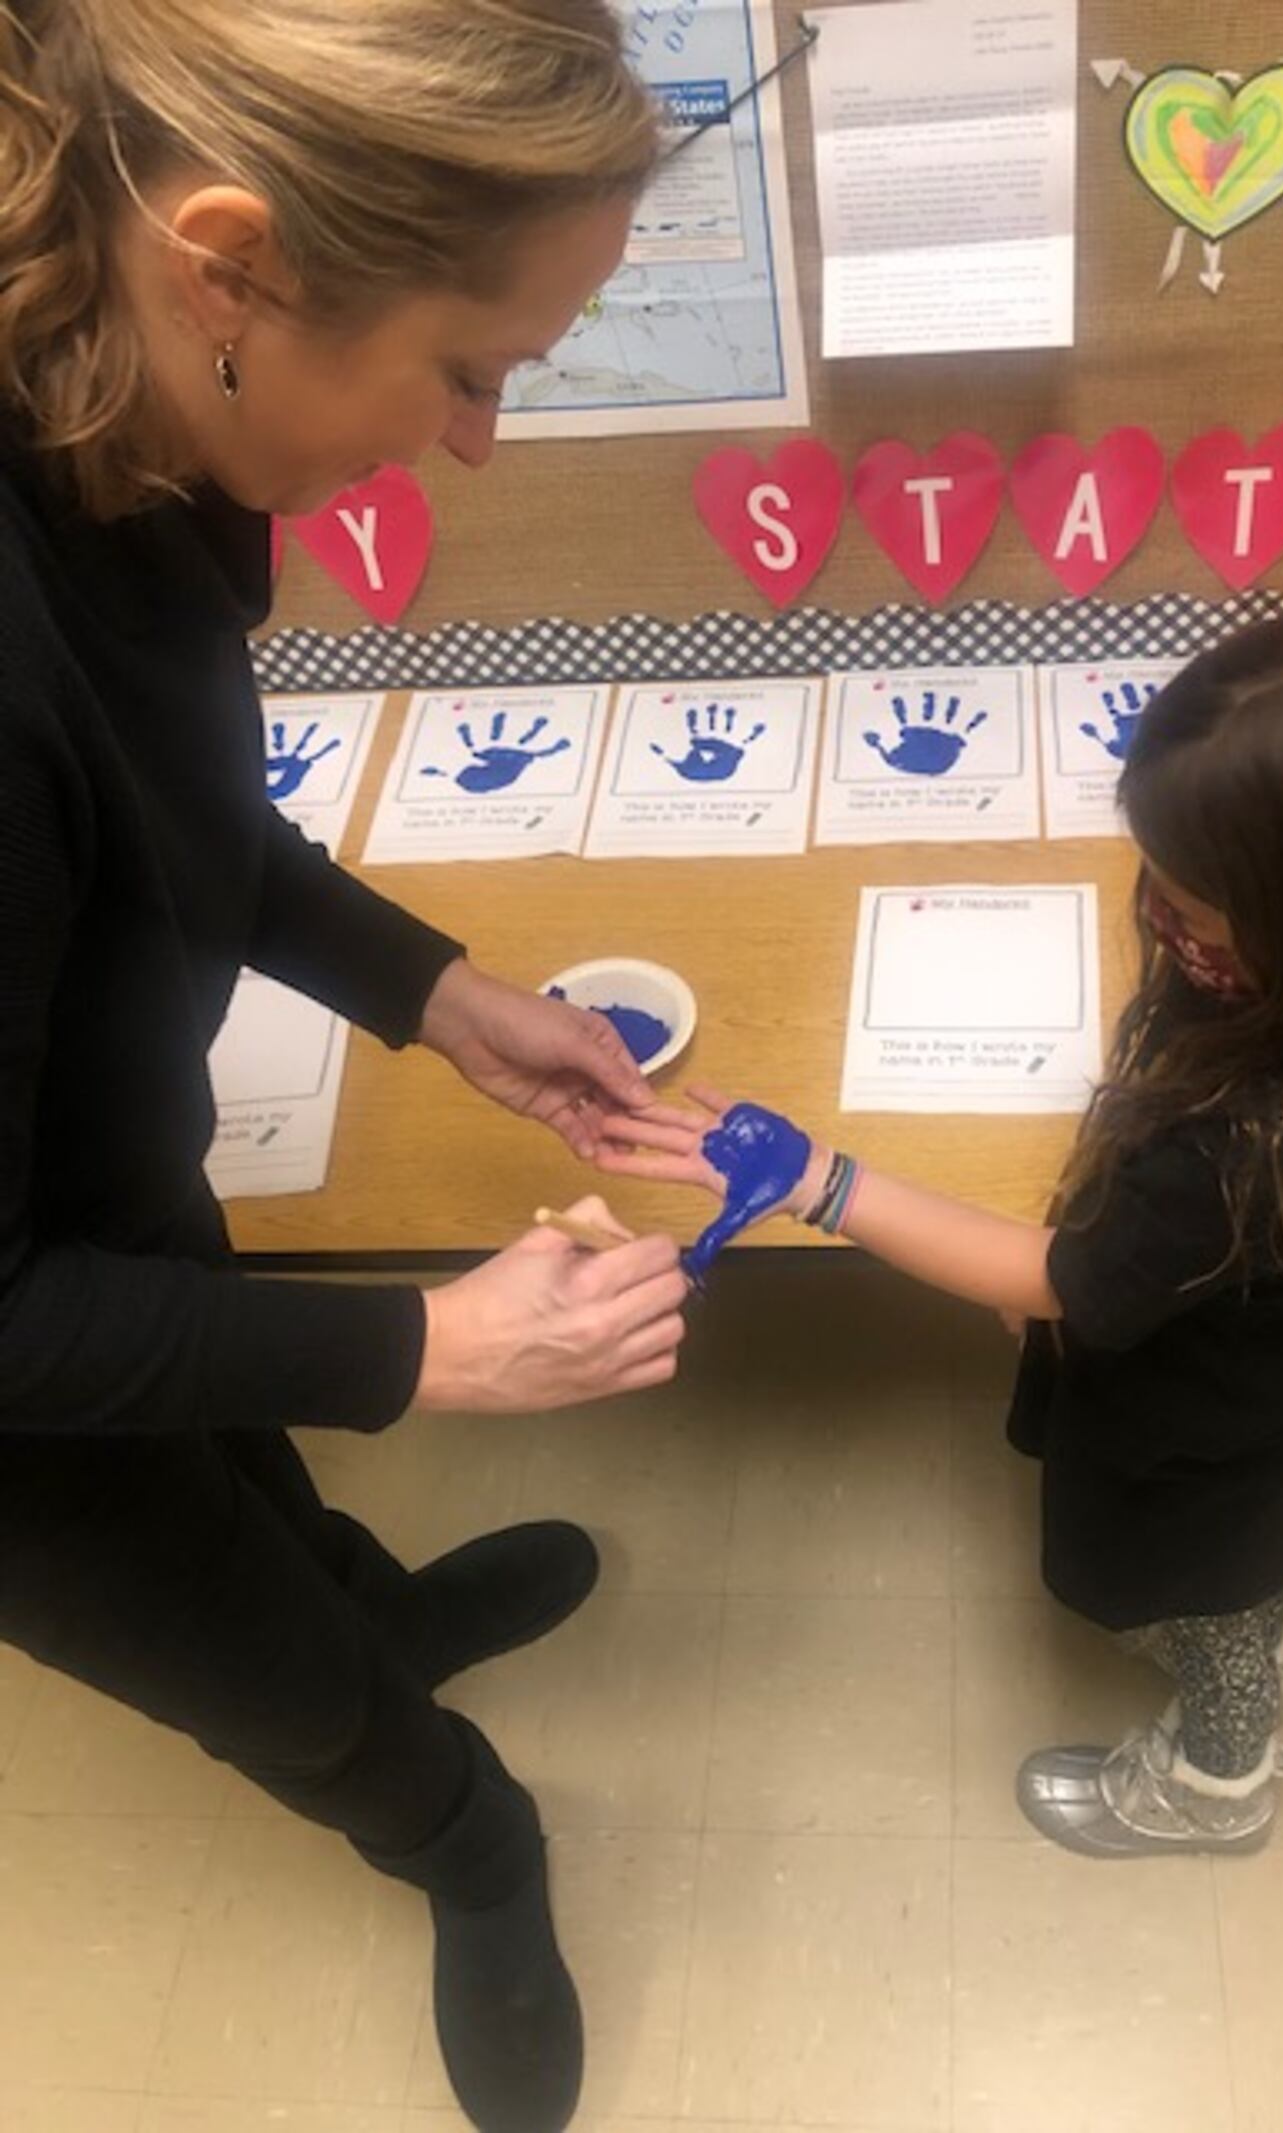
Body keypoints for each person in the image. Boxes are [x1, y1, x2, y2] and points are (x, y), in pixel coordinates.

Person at [0, 4, 687, 2128]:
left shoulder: (126, 428)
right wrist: (425, 1345)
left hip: (85, 1185)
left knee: (255, 1467)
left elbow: (159, 813)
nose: (476, 439)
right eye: (468, 366)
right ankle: (468, 1837)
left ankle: (379, 1601)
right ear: (228, 266)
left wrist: (428, 985)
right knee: (260, 1666)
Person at [597, 598, 1283, 1857]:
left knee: (1209, 1608)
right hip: (1273, 1377)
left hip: (1210, 1443)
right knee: (1244, 1566)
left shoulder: (1268, 1138)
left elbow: (1055, 1279)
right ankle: (1246, 1629)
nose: (1162, 919)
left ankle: (1215, 1788)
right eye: (1160, 879)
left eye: (1194, 903)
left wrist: (818, 1178)